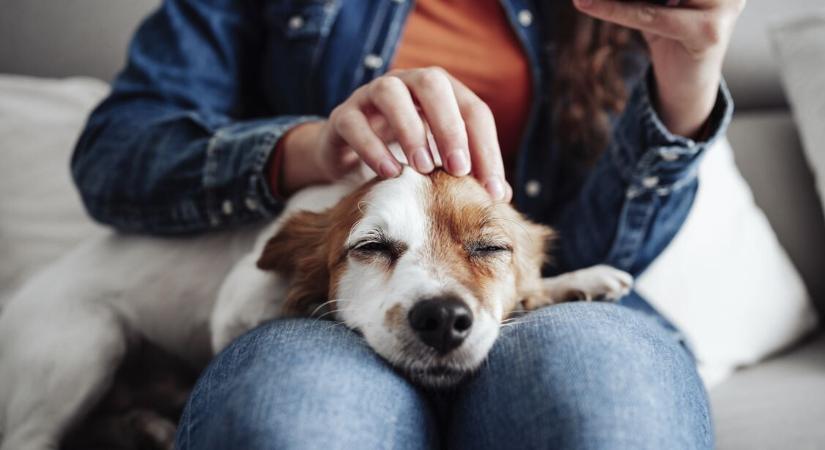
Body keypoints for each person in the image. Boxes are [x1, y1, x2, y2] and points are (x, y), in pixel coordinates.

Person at [72, 0, 742, 448]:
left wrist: (686, 81)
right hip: (329, 319)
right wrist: (312, 147)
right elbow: (112, 156)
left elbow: (592, 254)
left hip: (532, 308)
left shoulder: (609, 12)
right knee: (293, 420)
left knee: (609, 405)